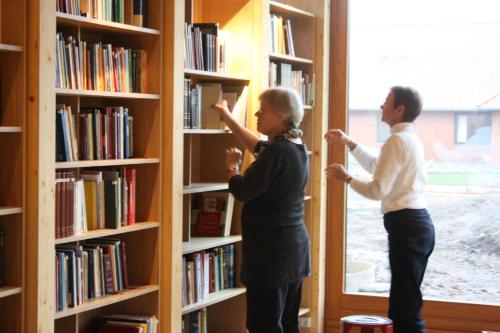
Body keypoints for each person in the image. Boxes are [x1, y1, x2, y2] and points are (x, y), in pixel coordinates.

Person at [325, 86, 435, 333]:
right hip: (416, 226)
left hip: (407, 227)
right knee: (405, 306)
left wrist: (346, 178)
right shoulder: (407, 139)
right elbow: (378, 166)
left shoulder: (397, 141)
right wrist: (349, 143)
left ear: (399, 110)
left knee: (403, 312)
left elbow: (377, 190)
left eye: (386, 102)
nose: (381, 106)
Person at [212, 87, 310, 333]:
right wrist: (228, 117)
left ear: (280, 115)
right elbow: (255, 145)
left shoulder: (277, 151)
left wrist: (232, 168)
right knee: (287, 322)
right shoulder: (294, 145)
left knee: (263, 324)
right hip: (292, 248)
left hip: (271, 252)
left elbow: (244, 190)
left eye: (262, 110)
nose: (256, 114)